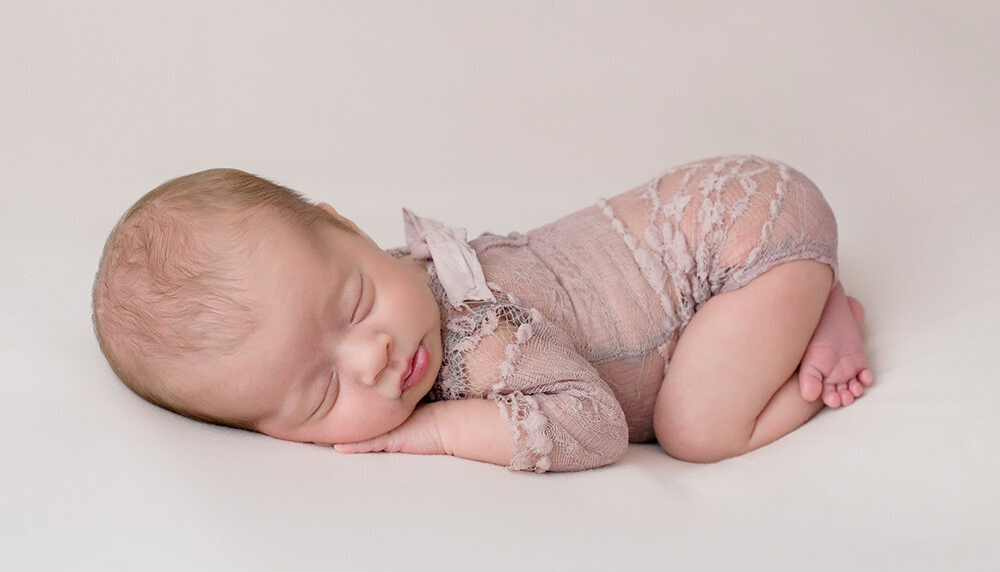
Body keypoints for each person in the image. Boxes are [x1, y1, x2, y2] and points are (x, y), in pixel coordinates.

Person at [92, 155, 874, 472]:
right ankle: (798, 297)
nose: (371, 359)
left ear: (352, 231)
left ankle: (816, 331)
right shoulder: (411, 309)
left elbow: (597, 424)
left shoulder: (479, 335)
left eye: (357, 302)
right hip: (737, 219)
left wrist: (437, 431)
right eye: (322, 394)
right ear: (271, 431)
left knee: (695, 432)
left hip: (742, 229)